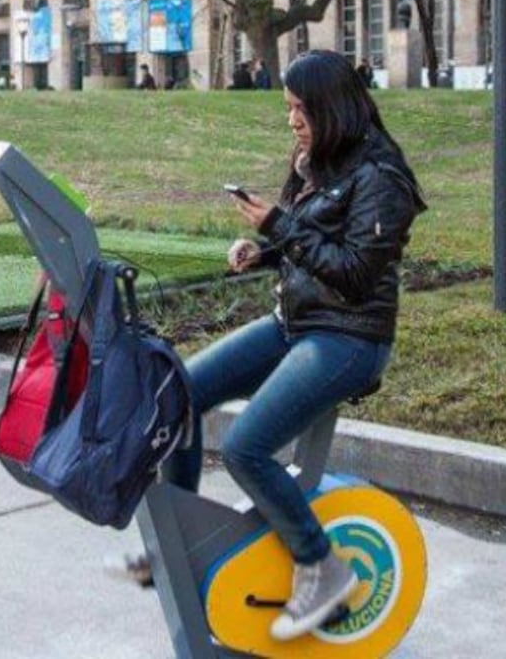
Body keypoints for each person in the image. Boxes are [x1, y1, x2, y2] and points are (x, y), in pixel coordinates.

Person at [161, 50, 426, 640]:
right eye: (288, 109)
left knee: (247, 448)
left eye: (300, 108)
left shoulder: (383, 178)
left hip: (350, 338)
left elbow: (355, 272)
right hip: (295, 323)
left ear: (330, 107)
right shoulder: (316, 161)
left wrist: (278, 228)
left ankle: (321, 567)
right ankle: (180, 541)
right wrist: (263, 250)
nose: (292, 121)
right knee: (175, 395)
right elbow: (308, 241)